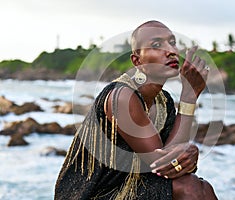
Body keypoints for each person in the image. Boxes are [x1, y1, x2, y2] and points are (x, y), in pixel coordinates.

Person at [55, 20, 217, 200]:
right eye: (156, 45)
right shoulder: (122, 98)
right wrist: (189, 96)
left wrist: (186, 157)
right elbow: (162, 166)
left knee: (199, 187)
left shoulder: (165, 102)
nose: (171, 51)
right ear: (137, 60)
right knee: (191, 189)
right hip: (93, 195)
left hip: (133, 186)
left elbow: (172, 160)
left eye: (172, 42)